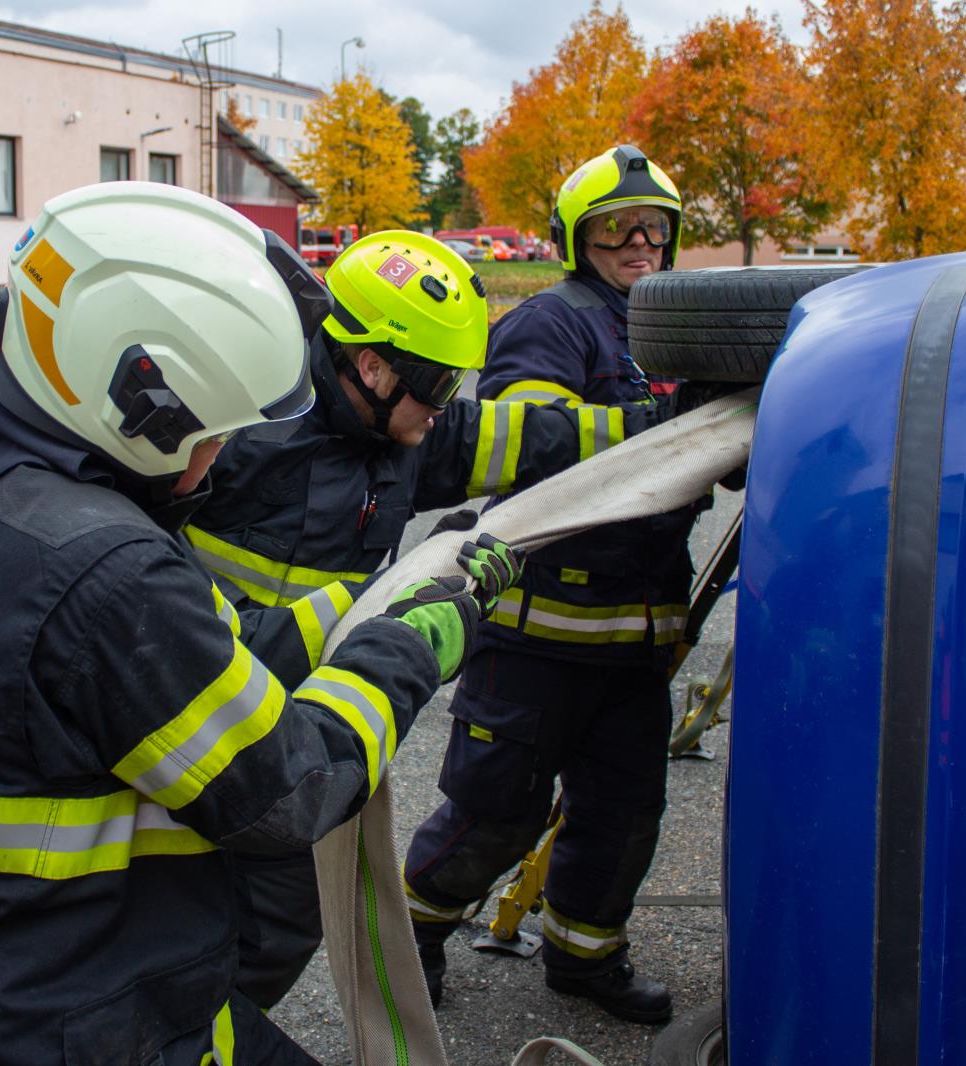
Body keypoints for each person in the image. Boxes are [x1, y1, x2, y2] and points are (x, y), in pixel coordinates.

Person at [0, 183, 522, 1066]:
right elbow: (289, 786)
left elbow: (214, 659)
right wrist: (411, 645)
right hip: (31, 1024)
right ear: (134, 398)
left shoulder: (14, 474)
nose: (221, 460)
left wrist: (380, 595)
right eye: (213, 432)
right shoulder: (108, 573)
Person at [183, 228, 654, 1010]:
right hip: (197, 723)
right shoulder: (236, 438)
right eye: (437, 387)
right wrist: (404, 590)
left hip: (296, 736)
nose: (444, 410)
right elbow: (169, 620)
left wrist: (660, 434)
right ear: (371, 366)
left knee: (283, 922)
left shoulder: (400, 427)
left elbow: (527, 438)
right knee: (195, 926)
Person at [402, 145, 697, 1024]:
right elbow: (536, 438)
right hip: (537, 637)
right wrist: (662, 428)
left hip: (636, 641)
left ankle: (584, 961)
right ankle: (412, 937)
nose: (639, 242)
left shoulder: (664, 330)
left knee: (622, 818)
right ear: (578, 238)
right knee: (493, 814)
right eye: (617, 226)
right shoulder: (553, 323)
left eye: (656, 226)